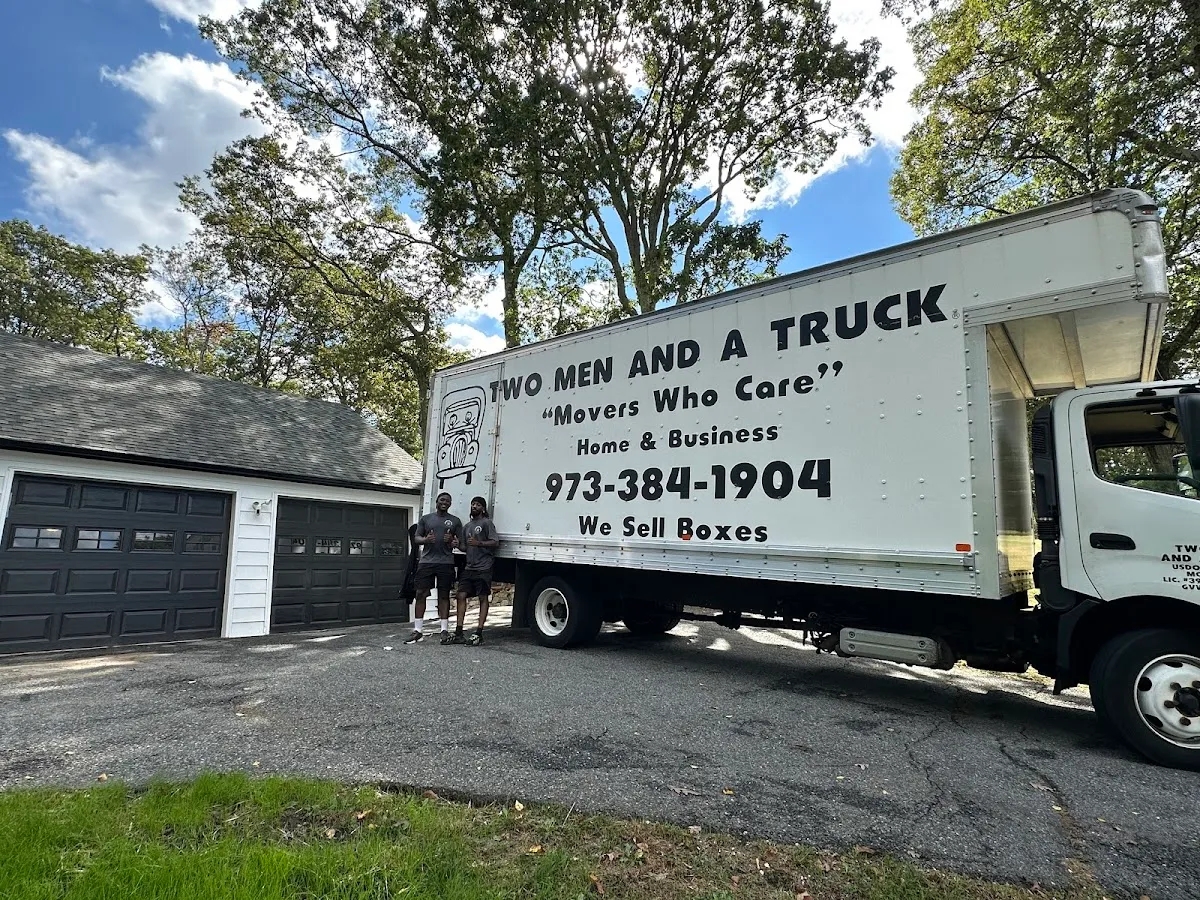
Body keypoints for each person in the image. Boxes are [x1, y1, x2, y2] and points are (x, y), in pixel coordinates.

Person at [405, 492, 463, 645]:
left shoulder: (455, 521)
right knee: (420, 593)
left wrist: (453, 543)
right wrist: (426, 539)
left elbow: (461, 544)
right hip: (427, 562)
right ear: (437, 502)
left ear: (450, 504)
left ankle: (444, 630)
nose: (445, 502)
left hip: (446, 562)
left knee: (444, 595)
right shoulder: (426, 519)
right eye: (442, 500)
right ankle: (418, 630)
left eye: (448, 501)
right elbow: (416, 538)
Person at [452, 496, 499, 645]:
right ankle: (459, 631)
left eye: (478, 505)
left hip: (484, 567)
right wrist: (457, 545)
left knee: (482, 597)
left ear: (483, 508)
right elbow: (466, 547)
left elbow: (495, 542)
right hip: (469, 567)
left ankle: (479, 632)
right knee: (461, 595)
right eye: (473, 504)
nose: (474, 507)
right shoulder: (467, 526)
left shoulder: (487, 523)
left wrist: (478, 543)